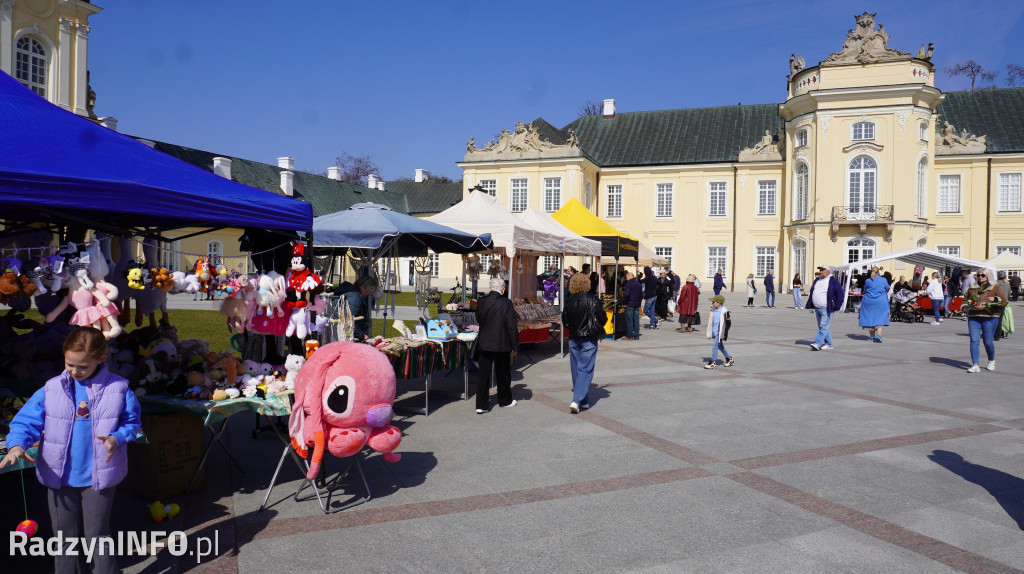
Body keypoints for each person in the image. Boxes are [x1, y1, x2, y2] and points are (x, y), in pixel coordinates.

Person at [1, 326, 142, 574]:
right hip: (59, 476)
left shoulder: (119, 389)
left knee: (97, 535)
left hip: (99, 477)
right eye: (69, 364)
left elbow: (132, 423)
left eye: (83, 367)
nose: (75, 371)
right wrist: (16, 445)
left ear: (100, 359)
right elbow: (25, 422)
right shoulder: (51, 388)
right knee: (64, 538)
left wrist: (116, 438)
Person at [562, 272, 607, 413]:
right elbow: (603, 318)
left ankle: (584, 400)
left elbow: (565, 321)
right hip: (589, 338)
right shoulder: (593, 299)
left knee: (576, 369)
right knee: (585, 369)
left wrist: (573, 328)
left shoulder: (569, 301)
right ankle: (576, 400)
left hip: (574, 338)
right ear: (587, 284)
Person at [475, 277, 518, 413]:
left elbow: (479, 319)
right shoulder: (506, 303)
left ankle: (481, 405)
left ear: (489, 288)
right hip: (502, 342)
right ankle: (504, 400)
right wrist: (515, 346)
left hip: (485, 341)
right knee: (503, 372)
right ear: (503, 290)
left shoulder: (481, 301)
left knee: (483, 374)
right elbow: (511, 326)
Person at [964, 270, 1008, 373]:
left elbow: (1004, 301)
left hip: (989, 316)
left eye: (983, 275)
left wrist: (995, 299)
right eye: (978, 275)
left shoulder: (994, 287)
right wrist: (965, 306)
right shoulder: (973, 287)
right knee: (974, 340)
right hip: (974, 316)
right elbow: (965, 299)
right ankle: (975, 365)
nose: (980, 277)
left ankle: (991, 360)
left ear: (988, 276)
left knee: (988, 342)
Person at [806, 266, 844, 351]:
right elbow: (813, 291)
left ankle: (817, 343)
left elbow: (840, 293)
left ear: (828, 271)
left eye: (822, 270)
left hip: (827, 307)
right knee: (823, 326)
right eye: (820, 270)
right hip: (817, 307)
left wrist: (837, 305)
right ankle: (829, 344)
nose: (820, 272)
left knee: (823, 326)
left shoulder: (832, 281)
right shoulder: (817, 280)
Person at [334, 274, 377, 340]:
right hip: (345, 336)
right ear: (363, 286)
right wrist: (361, 335)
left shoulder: (351, 294)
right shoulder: (354, 298)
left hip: (342, 333)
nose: (369, 294)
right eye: (369, 291)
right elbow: (348, 321)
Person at [859, 266, 890, 341]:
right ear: (878, 272)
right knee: (881, 317)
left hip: (869, 301)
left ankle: (872, 336)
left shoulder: (868, 280)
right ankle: (878, 335)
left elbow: (865, 288)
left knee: (870, 317)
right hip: (881, 301)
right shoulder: (883, 280)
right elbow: (887, 288)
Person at [704, 295, 734, 369]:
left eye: (713, 302)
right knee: (720, 346)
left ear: (719, 303)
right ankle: (729, 358)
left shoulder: (725, 312)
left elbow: (728, 323)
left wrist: (724, 333)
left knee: (715, 346)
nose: (712, 303)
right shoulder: (713, 310)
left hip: (720, 332)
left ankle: (713, 362)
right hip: (715, 331)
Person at [622, 271, 642, 340]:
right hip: (636, 304)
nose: (626, 279)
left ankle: (629, 335)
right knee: (636, 320)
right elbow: (641, 295)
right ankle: (636, 336)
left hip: (630, 303)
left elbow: (626, 294)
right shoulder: (639, 284)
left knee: (629, 320)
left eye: (627, 277)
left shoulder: (629, 284)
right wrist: (639, 303)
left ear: (630, 276)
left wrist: (624, 303)